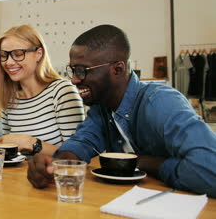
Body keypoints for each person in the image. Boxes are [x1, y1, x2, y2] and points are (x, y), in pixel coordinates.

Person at [27, 24, 216, 197]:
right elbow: (82, 142)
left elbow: (210, 172)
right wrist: (56, 164)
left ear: (117, 69)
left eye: (82, 70)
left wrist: (146, 163)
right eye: (73, 70)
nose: (75, 80)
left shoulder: (161, 102)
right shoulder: (101, 108)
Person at [0, 24, 84, 156]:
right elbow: (12, 152)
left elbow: (76, 155)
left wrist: (31, 143)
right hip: (17, 176)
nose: (9, 62)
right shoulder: (9, 99)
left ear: (38, 54)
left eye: (18, 54)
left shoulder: (62, 92)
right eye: (3, 55)